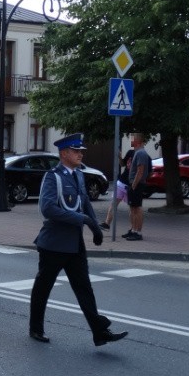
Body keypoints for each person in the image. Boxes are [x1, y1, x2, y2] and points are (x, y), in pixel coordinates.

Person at [28, 133, 128, 347]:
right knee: (43, 287)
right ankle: (35, 328)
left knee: (84, 287)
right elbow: (48, 208)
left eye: (81, 151)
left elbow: (85, 203)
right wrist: (81, 219)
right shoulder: (53, 177)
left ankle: (99, 332)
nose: (80, 154)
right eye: (76, 151)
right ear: (64, 153)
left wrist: (96, 225)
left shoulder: (79, 175)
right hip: (54, 244)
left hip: (74, 244)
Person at [124, 133, 151, 241]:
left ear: (138, 141)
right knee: (133, 208)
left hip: (137, 185)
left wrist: (134, 185)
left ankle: (137, 232)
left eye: (132, 139)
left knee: (137, 208)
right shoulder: (138, 152)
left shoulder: (141, 153)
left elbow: (140, 171)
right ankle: (133, 230)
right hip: (135, 184)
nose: (131, 141)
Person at [100, 148, 134, 230]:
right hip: (121, 183)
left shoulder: (143, 155)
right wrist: (119, 156)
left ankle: (133, 229)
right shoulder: (131, 152)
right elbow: (123, 164)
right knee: (113, 204)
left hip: (131, 186)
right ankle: (107, 224)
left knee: (133, 208)